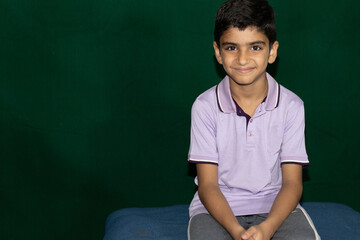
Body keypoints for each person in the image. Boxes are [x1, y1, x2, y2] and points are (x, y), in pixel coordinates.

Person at [187, 0, 321, 239]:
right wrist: (237, 231)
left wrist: (268, 228)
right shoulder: (204, 106)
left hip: (277, 209)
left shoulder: (291, 106)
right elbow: (208, 185)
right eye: (231, 48)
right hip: (215, 211)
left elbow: (292, 183)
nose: (242, 59)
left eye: (255, 47)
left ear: (272, 51)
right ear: (218, 52)